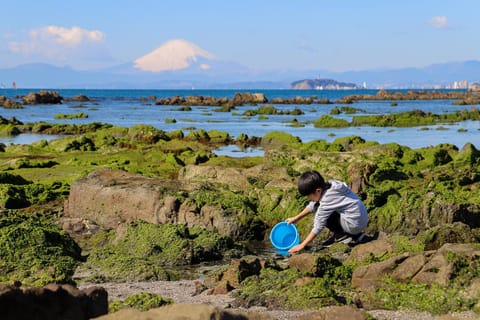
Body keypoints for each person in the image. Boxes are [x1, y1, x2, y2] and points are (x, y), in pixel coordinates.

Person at [286, 170, 368, 254]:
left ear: (318, 191)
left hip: (354, 224)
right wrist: (296, 218)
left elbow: (318, 225)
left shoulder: (327, 199)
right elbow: (312, 205)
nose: (308, 198)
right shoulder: (331, 184)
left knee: (319, 209)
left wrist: (302, 245)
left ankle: (342, 236)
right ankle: (356, 235)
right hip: (361, 218)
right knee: (317, 205)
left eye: (308, 195)